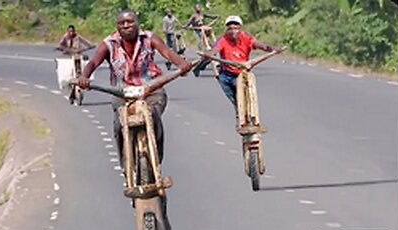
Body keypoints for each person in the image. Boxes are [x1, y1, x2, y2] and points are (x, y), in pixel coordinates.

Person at [78, 10, 191, 172]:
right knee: (119, 125)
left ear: (137, 23)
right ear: (117, 27)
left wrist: (181, 64)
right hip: (122, 93)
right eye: (122, 23)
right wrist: (84, 76)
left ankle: (156, 158)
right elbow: (94, 62)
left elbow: (166, 51)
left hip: (151, 89)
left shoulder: (149, 38)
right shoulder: (109, 44)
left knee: (153, 117)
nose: (126, 26)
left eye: (130, 22)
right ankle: (125, 163)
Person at [197, 15, 282, 126]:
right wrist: (208, 55)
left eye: (236, 28)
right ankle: (240, 114)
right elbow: (215, 50)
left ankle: (251, 117)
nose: (233, 31)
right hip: (226, 75)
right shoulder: (223, 40)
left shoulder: (246, 38)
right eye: (230, 28)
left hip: (242, 74)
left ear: (240, 28)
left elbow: (262, 46)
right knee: (235, 99)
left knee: (246, 97)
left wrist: (272, 49)